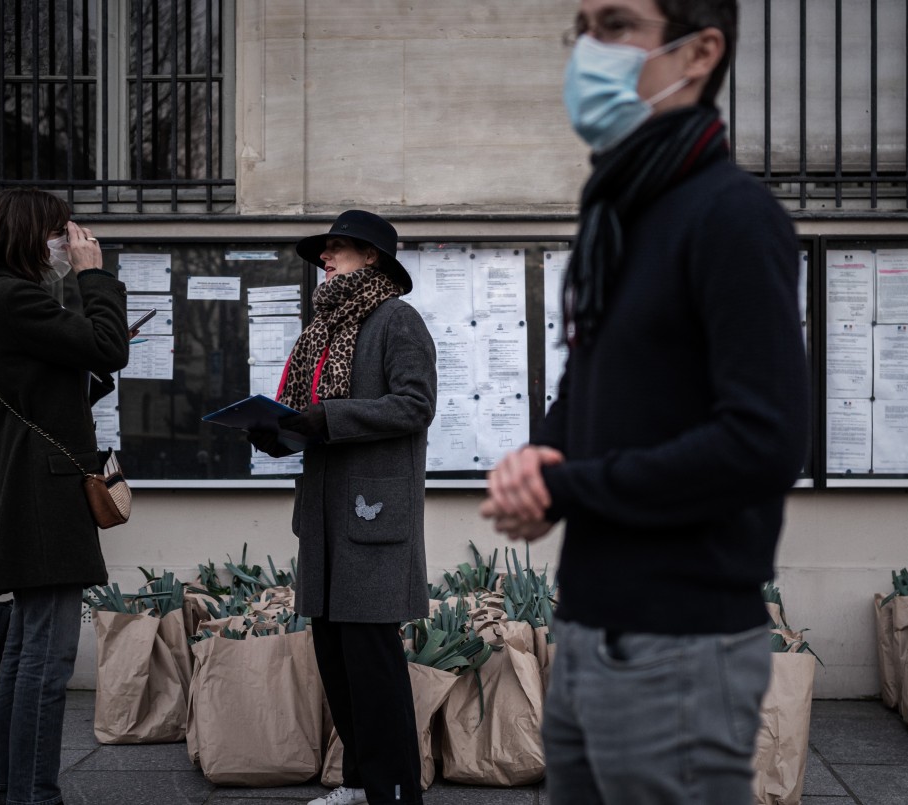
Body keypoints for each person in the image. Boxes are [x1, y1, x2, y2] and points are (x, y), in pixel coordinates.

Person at [480, 0, 809, 802]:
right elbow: (597, 396)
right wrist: (540, 462)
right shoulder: (620, 214)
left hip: (681, 647)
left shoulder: (733, 215)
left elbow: (763, 440)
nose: (589, 49)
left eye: (617, 25)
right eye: (583, 26)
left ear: (699, 54)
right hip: (591, 629)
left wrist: (570, 485)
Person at [250, 210, 436, 805]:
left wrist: (325, 419)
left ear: (372, 256)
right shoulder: (322, 330)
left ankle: (397, 791)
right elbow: (315, 420)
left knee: (373, 666)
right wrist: (279, 431)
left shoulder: (395, 319)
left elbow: (414, 405)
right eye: (324, 250)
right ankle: (360, 783)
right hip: (328, 521)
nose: (325, 259)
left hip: (372, 517)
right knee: (337, 660)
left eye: (338, 248)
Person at [0, 188, 130, 805]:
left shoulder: (0, 298)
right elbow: (106, 345)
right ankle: (34, 793)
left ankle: (16, 787)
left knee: (29, 648)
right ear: (33, 235)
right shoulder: (14, 296)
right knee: (50, 656)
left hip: (36, 486)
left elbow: (48, 388)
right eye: (63, 233)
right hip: (45, 493)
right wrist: (96, 278)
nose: (71, 243)